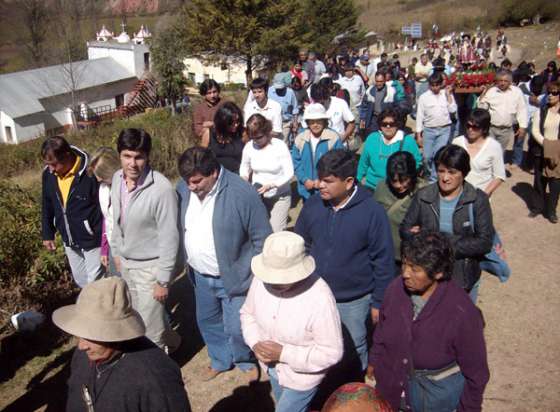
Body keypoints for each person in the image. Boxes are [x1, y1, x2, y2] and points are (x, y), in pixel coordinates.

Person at [295, 149, 395, 383]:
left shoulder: (373, 212)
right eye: (319, 178)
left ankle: (350, 390)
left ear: (349, 182)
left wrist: (379, 302)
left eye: (328, 181)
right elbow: (301, 244)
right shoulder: (312, 206)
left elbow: (383, 261)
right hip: (314, 296)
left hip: (354, 301)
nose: (320, 185)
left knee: (353, 347)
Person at [177, 147, 271, 381]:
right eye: (187, 181)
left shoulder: (242, 193)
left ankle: (244, 359)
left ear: (214, 173)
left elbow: (262, 238)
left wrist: (255, 274)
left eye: (197, 181)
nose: (191, 187)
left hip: (236, 278)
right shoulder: (184, 189)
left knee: (237, 327)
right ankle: (220, 359)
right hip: (199, 276)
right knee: (207, 321)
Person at [368, 231, 489, 412]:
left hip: (431, 401)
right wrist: (374, 361)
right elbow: (381, 332)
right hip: (391, 395)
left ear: (438, 273)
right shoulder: (395, 290)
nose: (405, 274)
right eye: (404, 265)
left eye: (415, 269)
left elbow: (476, 374)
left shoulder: (462, 313)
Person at [53, 277, 191, 412]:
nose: (81, 346)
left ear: (115, 334)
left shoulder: (156, 376)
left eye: (91, 336)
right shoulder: (84, 355)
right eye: (80, 334)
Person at [240, 231, 343, 412]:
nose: (273, 282)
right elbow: (247, 314)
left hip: (302, 378)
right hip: (272, 369)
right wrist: (255, 343)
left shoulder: (320, 298)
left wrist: (283, 354)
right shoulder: (261, 280)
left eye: (281, 279)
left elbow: (331, 353)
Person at [111, 128, 180, 349]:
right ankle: (176, 344)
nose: (132, 163)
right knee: (138, 318)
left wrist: (162, 280)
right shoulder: (116, 180)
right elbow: (116, 219)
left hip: (151, 269)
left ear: (147, 156)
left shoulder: (162, 190)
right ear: (119, 155)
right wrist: (116, 252)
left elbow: (170, 237)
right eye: (127, 156)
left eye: (139, 157)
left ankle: (158, 377)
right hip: (127, 264)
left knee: (150, 331)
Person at [400, 145, 494, 298]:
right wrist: (417, 237)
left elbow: (484, 242)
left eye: (452, 172)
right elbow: (405, 229)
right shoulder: (423, 196)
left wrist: (439, 244)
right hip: (428, 278)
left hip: (463, 276)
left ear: (464, 173)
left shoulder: (477, 200)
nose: (445, 178)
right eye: (441, 171)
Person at [452, 109, 510, 286]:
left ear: (484, 129)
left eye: (475, 127)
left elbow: (499, 176)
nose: (470, 129)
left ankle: (491, 264)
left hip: (480, 200)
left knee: (480, 236)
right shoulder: (457, 142)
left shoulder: (493, 147)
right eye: (468, 125)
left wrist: (483, 195)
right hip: (457, 197)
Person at [41, 136, 103, 288]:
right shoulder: (49, 175)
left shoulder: (90, 172)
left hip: (93, 238)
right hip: (69, 238)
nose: (51, 169)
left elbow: (105, 204)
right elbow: (47, 204)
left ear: (67, 156)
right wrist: (47, 233)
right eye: (48, 165)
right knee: (81, 281)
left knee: (95, 284)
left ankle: (101, 310)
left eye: (54, 164)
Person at [240, 114, 293, 232]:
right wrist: (244, 177)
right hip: (258, 196)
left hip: (280, 195)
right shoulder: (249, 147)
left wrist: (272, 185)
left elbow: (289, 172)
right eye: (252, 138)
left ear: (267, 132)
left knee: (275, 231)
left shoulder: (279, 146)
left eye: (259, 137)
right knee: (260, 230)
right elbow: (244, 166)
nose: (256, 141)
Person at [374, 151, 425, 261]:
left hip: (412, 257)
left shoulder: (424, 191)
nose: (398, 185)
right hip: (385, 254)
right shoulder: (381, 187)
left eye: (404, 180)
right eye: (394, 180)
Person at [358, 108, 422, 192]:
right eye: (384, 124)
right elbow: (363, 163)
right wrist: (357, 182)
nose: (388, 126)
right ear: (380, 125)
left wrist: (405, 180)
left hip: (396, 189)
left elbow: (417, 163)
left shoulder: (408, 141)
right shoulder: (372, 138)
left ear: (397, 124)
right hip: (371, 187)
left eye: (392, 124)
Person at [292, 103, 344, 200]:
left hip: (327, 187)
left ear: (324, 121)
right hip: (306, 187)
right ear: (307, 123)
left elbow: (339, 163)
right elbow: (296, 162)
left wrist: (322, 180)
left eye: (319, 121)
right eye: (312, 122)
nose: (315, 125)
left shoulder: (333, 138)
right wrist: (305, 179)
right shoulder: (300, 138)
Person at [416, 72, 458, 181]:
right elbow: (419, 116)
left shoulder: (446, 94)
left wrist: (449, 95)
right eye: (432, 85)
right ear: (429, 85)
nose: (435, 87)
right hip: (429, 130)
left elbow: (453, 110)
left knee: (438, 155)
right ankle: (428, 172)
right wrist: (419, 135)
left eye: (437, 85)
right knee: (426, 156)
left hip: (444, 129)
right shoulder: (424, 97)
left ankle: (433, 179)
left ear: (441, 84)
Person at [477, 69, 528, 157]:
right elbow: (482, 108)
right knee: (489, 150)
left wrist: (522, 127)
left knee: (499, 153)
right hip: (491, 128)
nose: (502, 83)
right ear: (497, 81)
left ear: (510, 82)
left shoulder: (517, 92)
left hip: (506, 130)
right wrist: (483, 94)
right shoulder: (491, 91)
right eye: (500, 80)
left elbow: (522, 109)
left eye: (505, 81)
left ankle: (496, 169)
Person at [530, 79, 560, 223]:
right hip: (541, 150)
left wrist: (555, 147)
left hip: (558, 153)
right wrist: (547, 145)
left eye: (554, 93)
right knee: (539, 181)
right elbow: (535, 130)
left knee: (555, 182)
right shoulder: (541, 111)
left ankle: (552, 210)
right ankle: (537, 207)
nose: (550, 95)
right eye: (548, 92)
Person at [88, 147, 121, 274]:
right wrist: (104, 248)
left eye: (101, 175)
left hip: (131, 250)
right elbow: (107, 220)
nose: (98, 179)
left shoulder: (127, 188)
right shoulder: (103, 189)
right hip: (114, 247)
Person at [310, 78, 356, 146]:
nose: (320, 105)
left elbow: (351, 123)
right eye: (317, 102)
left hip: (339, 147)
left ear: (327, 95)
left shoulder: (340, 103)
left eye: (322, 102)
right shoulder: (311, 108)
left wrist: (343, 137)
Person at [206, 101, 246, 174]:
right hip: (216, 174)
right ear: (222, 122)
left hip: (237, 174)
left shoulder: (243, 133)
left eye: (238, 121)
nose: (236, 125)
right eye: (231, 123)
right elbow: (202, 156)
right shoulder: (209, 133)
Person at [268, 73, 300, 144]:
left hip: (285, 122)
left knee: (284, 144)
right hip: (271, 123)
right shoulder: (269, 91)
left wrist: (295, 123)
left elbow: (295, 109)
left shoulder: (290, 92)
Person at [193, 79, 224, 147]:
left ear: (218, 91)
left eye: (214, 92)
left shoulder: (225, 105)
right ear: (204, 94)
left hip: (225, 142)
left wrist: (212, 124)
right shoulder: (199, 108)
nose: (212, 95)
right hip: (207, 145)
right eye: (209, 93)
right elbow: (198, 130)